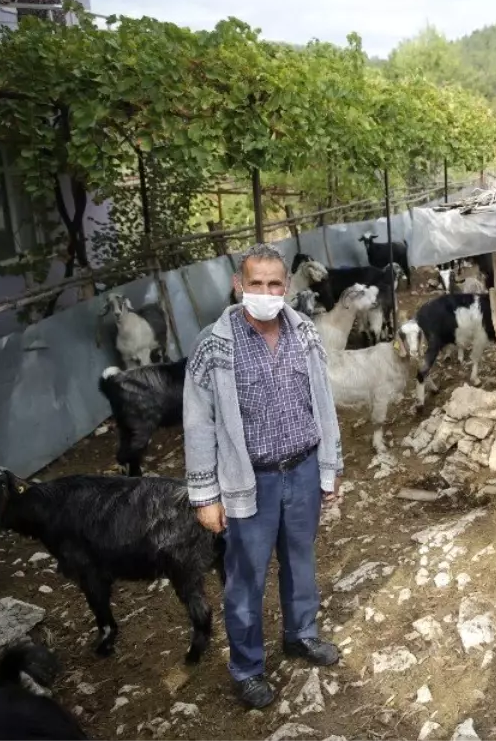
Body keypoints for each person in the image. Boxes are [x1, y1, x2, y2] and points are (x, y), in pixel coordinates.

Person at [183, 243, 344, 709]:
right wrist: (205, 496)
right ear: (239, 285)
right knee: (246, 577)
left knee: (301, 561)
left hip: (302, 469)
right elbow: (198, 423)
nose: (267, 292)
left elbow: (323, 405)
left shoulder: (305, 334)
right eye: (257, 283)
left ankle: (301, 635)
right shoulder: (215, 345)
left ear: (287, 287)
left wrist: (329, 468)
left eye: (276, 284)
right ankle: (248, 667)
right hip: (248, 481)